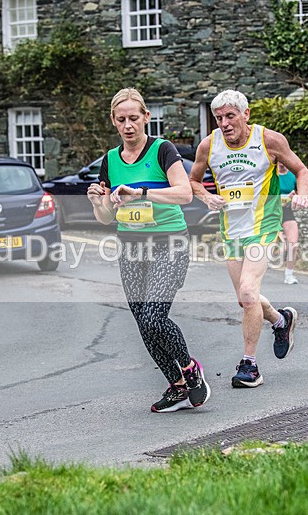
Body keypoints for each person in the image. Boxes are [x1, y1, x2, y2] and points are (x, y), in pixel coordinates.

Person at [86, 87, 210, 413]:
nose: (129, 125)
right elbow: (105, 217)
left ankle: (189, 368)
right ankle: (178, 386)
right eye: (122, 119)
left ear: (146, 117)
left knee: (155, 316)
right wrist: (98, 201)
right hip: (131, 248)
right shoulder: (110, 161)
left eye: (134, 118)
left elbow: (184, 194)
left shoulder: (162, 150)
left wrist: (141, 192)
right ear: (114, 121)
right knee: (143, 321)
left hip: (169, 243)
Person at [189, 89, 308, 388]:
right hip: (231, 231)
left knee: (247, 291)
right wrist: (206, 196)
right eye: (219, 118)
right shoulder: (209, 146)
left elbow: (301, 169)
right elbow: (193, 180)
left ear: (246, 114)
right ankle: (280, 321)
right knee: (246, 300)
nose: (225, 123)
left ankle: (250, 366)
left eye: (230, 116)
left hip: (264, 226)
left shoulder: (269, 140)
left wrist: (303, 195)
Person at [277, 162, 300, 285]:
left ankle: (289, 275)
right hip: (271, 212)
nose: (283, 163)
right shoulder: (271, 175)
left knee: (293, 244)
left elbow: (299, 192)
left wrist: (295, 196)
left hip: (286, 211)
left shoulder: (292, 176)